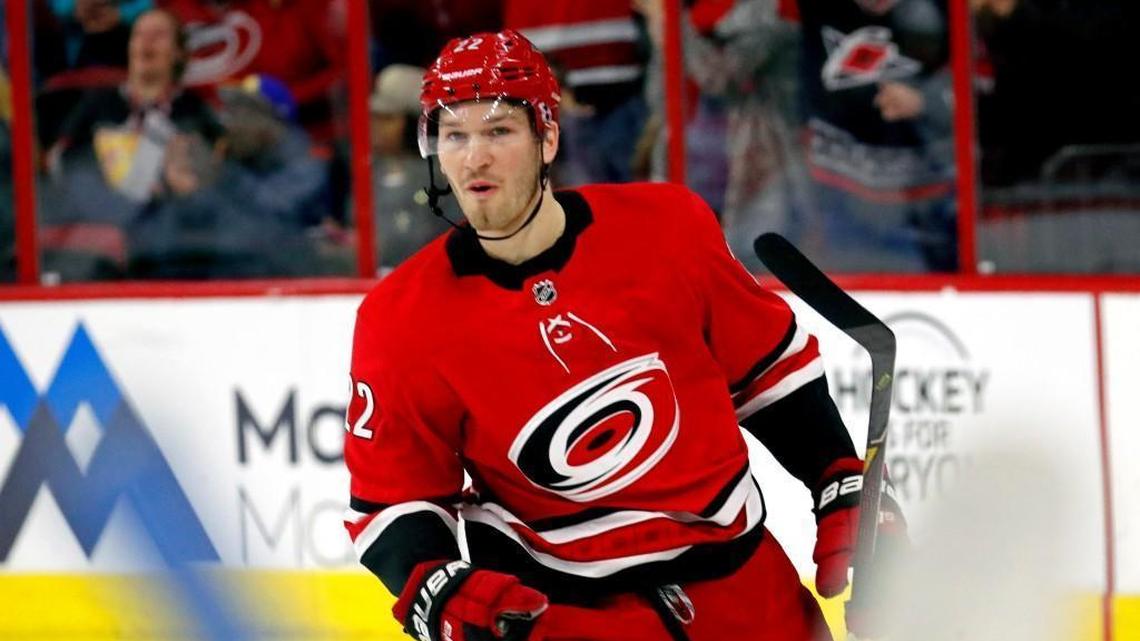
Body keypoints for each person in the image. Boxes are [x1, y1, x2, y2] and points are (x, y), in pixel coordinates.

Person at [343, 30, 904, 641]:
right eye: (455, 135)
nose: (474, 158)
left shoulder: (668, 229)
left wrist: (839, 478)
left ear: (547, 137)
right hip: (564, 617)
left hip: (745, 596)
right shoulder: (401, 317)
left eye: (499, 131)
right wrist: (436, 586)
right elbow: (394, 499)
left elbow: (769, 376)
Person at [368, 64, 449, 268]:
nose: (375, 128)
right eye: (374, 118)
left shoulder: (440, 176)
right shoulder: (366, 168)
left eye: (387, 119)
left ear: (416, 124)